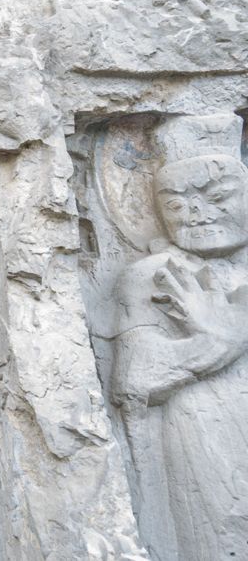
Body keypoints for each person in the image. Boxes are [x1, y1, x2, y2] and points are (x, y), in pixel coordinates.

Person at [111, 113, 248, 560]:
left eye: (218, 196)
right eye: (174, 204)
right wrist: (217, 343)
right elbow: (133, 381)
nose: (195, 214)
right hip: (206, 431)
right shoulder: (150, 276)